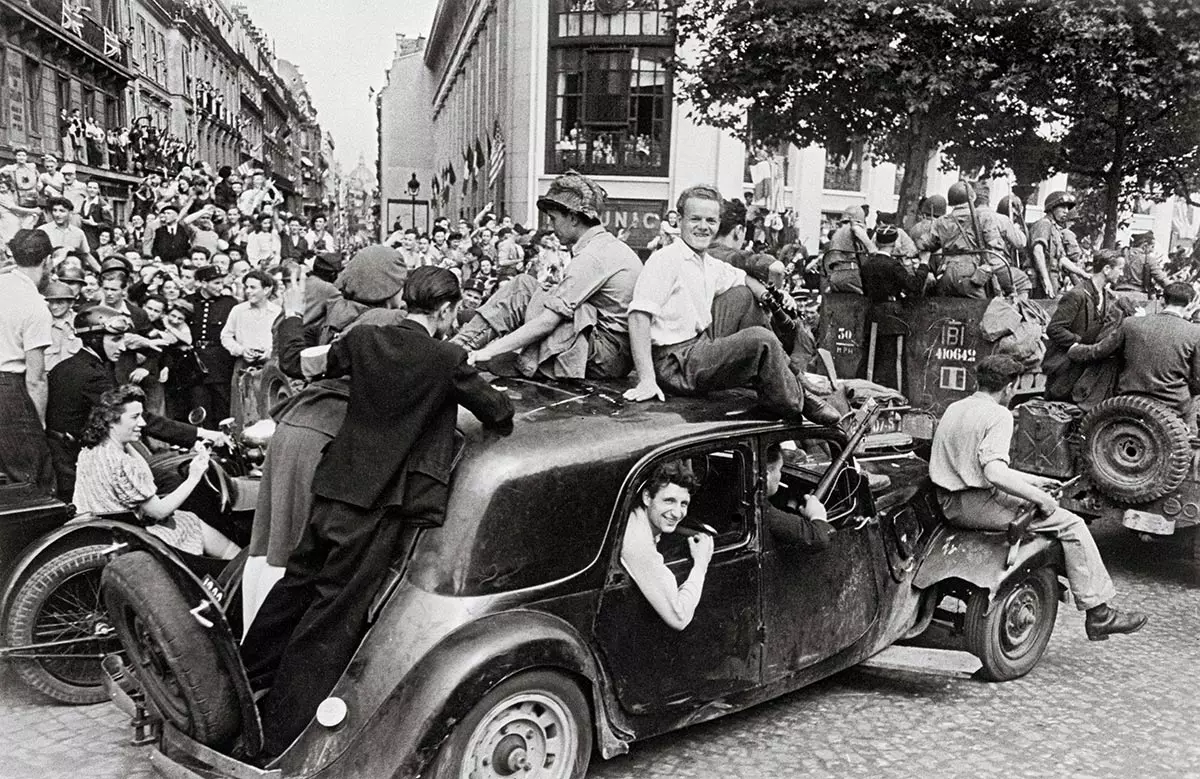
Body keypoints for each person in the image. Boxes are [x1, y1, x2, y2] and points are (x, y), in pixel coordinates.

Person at [240, 266, 515, 759]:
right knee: (332, 616)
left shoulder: (364, 338)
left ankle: (237, 688)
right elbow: (499, 414)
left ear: (404, 300)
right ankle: (278, 740)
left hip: (332, 486)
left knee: (293, 589)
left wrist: (294, 316)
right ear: (449, 309)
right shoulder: (447, 358)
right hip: (377, 505)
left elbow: (307, 363)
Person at [930, 354, 1146, 641]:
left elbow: (975, 466)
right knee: (1072, 525)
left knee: (1042, 499)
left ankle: (1098, 609)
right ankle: (1099, 614)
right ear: (1010, 386)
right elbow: (993, 472)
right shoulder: (999, 415)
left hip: (949, 500)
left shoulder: (955, 408)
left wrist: (1036, 482)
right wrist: (1041, 499)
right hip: (975, 504)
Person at [622, 184, 842, 427]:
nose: (703, 227)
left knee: (742, 296)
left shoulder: (704, 261)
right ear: (680, 221)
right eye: (695, 219)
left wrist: (769, 296)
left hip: (697, 346)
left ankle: (791, 376)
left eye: (710, 220)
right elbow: (638, 317)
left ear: (718, 224)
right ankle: (798, 402)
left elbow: (741, 278)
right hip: (673, 365)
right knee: (761, 340)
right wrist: (646, 380)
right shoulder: (666, 260)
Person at [456, 171, 643, 379]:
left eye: (553, 219)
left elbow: (548, 322)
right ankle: (460, 349)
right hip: (610, 352)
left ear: (573, 218)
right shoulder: (604, 246)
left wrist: (487, 352)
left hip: (606, 356)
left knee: (529, 293)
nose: (551, 227)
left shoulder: (591, 257)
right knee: (527, 286)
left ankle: (458, 351)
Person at [46, 307, 222, 498]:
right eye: (115, 340)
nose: (122, 347)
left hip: (66, 455)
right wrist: (201, 433)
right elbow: (137, 417)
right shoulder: (91, 375)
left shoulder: (73, 365)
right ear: (94, 340)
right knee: (169, 482)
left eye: (123, 339)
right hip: (75, 463)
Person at [72, 385, 238, 558]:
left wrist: (126, 440)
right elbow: (159, 511)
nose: (143, 423)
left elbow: (146, 474)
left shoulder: (90, 450)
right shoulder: (122, 463)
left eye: (142, 416)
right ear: (112, 421)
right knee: (191, 521)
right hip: (129, 539)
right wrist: (194, 476)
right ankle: (236, 564)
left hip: (99, 532)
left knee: (184, 517)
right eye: (135, 417)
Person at [1068, 281, 1200, 420]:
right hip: (1173, 408)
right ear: (1190, 304)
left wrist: (1074, 350)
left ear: (1162, 300)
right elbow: (1197, 381)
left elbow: (1098, 351)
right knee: (1192, 416)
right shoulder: (1195, 332)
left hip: (1130, 400)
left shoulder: (1130, 323)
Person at [620, 459, 713, 630]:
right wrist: (700, 565)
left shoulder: (636, 516)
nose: (677, 513)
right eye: (669, 501)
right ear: (647, 497)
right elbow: (679, 618)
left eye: (683, 504)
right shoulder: (638, 544)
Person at [0, 229, 56, 493]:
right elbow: (36, 379)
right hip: (9, 389)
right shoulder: (35, 305)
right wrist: (39, 424)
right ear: (48, 261)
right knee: (32, 481)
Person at [1042, 249, 1127, 403]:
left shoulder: (1106, 296)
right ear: (1106, 269)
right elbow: (1054, 328)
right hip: (1064, 367)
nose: (1121, 274)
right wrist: (1077, 343)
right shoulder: (1077, 294)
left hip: (1085, 367)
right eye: (1120, 269)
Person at [915, 181, 1012, 299]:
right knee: (986, 311)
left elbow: (923, 244)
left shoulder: (941, 221)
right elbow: (996, 257)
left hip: (946, 275)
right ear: (972, 197)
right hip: (972, 276)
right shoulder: (984, 217)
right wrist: (1009, 289)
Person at [220, 270, 280, 425]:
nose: (247, 291)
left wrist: (270, 353)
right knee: (241, 408)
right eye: (246, 287)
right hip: (243, 365)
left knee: (267, 406)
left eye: (253, 287)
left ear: (267, 290)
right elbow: (225, 336)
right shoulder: (238, 310)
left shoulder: (277, 312)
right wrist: (240, 350)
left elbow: (281, 341)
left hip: (269, 366)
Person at [188, 264, 238, 422]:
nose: (220, 287)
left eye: (221, 283)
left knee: (222, 404)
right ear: (203, 283)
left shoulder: (229, 303)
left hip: (220, 362)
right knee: (198, 405)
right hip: (194, 363)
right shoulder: (189, 302)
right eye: (216, 283)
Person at [763, 443, 833, 549]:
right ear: (766, 476)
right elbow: (819, 539)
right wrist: (817, 515)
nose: (780, 475)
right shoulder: (761, 511)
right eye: (779, 469)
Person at [1027, 190, 1085, 299]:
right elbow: (1038, 251)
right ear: (1052, 208)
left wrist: (1083, 274)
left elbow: (1062, 259)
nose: (1066, 211)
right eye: (1062, 207)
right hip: (1040, 280)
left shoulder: (1054, 229)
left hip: (1052, 277)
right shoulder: (1044, 224)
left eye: (1067, 208)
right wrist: (1046, 280)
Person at [821, 205, 875, 294]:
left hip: (835, 275)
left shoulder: (837, 233)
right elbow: (858, 230)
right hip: (850, 274)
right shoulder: (854, 226)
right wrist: (873, 249)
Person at [1114, 231, 1169, 305]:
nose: (1152, 250)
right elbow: (1162, 280)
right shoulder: (1148, 259)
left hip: (1116, 295)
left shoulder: (1120, 255)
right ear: (1145, 246)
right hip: (1138, 297)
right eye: (1152, 247)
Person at [39, 196, 93, 270]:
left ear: (70, 213)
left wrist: (101, 271)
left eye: (62, 211)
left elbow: (86, 255)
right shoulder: (42, 231)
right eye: (55, 210)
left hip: (71, 275)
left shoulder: (78, 233)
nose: (57, 214)